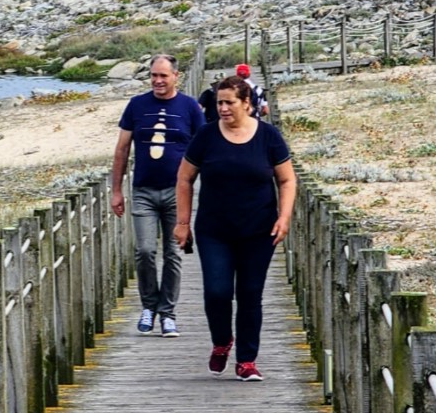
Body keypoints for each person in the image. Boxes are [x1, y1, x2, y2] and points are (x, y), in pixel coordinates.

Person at [174, 75, 297, 381]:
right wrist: (182, 222)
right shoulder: (206, 136)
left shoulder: (269, 136)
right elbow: (184, 179)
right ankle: (221, 341)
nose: (224, 108)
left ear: (247, 103)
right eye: (219, 103)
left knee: (250, 293)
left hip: (259, 229)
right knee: (217, 292)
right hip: (214, 229)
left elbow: (287, 179)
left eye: (229, 102)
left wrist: (284, 217)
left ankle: (247, 360)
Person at [111, 54, 209, 338]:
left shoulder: (190, 107)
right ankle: (148, 306)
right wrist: (116, 190)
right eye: (154, 75)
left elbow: (204, 149)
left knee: (172, 253)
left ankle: (167, 313)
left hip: (178, 193)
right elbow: (122, 149)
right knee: (144, 251)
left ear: (175, 76)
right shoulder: (137, 105)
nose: (157, 80)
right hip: (143, 190)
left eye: (163, 75)